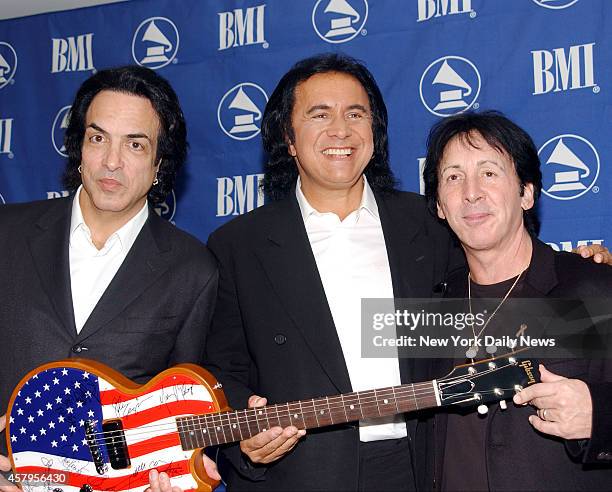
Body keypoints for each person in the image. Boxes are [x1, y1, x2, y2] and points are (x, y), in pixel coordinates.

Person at [0, 66, 220, 490]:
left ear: (160, 164)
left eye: (135, 144)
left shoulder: (193, 270)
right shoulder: (6, 234)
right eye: (97, 138)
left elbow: (183, 402)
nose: (111, 161)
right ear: (78, 148)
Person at [419, 110, 612, 490]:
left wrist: (600, 418)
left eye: (489, 173)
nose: (471, 192)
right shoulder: (434, 309)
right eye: (453, 177)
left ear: (526, 193)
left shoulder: (591, 289)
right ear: (440, 206)